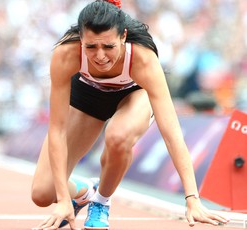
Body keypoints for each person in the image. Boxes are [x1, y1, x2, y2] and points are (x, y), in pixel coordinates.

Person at [31, 0, 229, 229]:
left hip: (133, 95)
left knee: (117, 136)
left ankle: (101, 201)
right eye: (91, 47)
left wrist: (192, 198)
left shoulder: (143, 58)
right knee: (42, 193)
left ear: (123, 36)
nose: (100, 56)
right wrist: (64, 199)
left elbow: (171, 131)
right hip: (87, 97)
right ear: (81, 39)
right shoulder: (65, 53)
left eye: (108, 46)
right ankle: (85, 191)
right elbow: (56, 129)